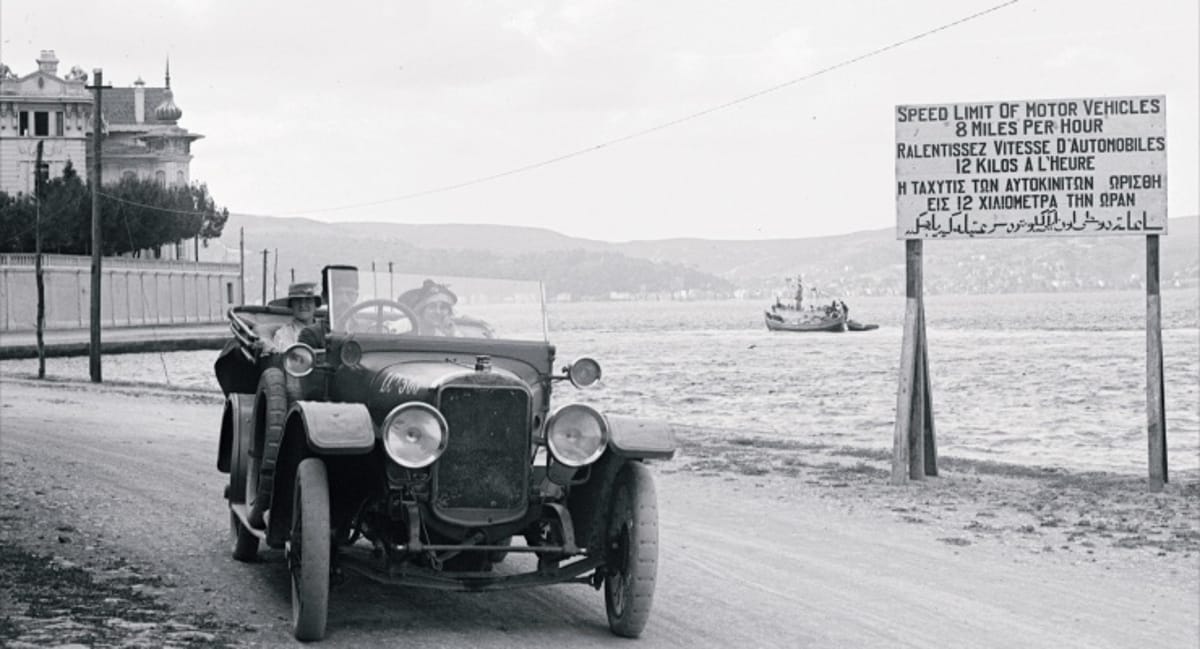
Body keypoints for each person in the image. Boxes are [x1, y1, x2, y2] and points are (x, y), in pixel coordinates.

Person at [258, 282, 322, 352]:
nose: (303, 305)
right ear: (291, 305)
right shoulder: (284, 334)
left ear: (316, 304)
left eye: (308, 300)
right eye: (298, 301)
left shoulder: (326, 329)